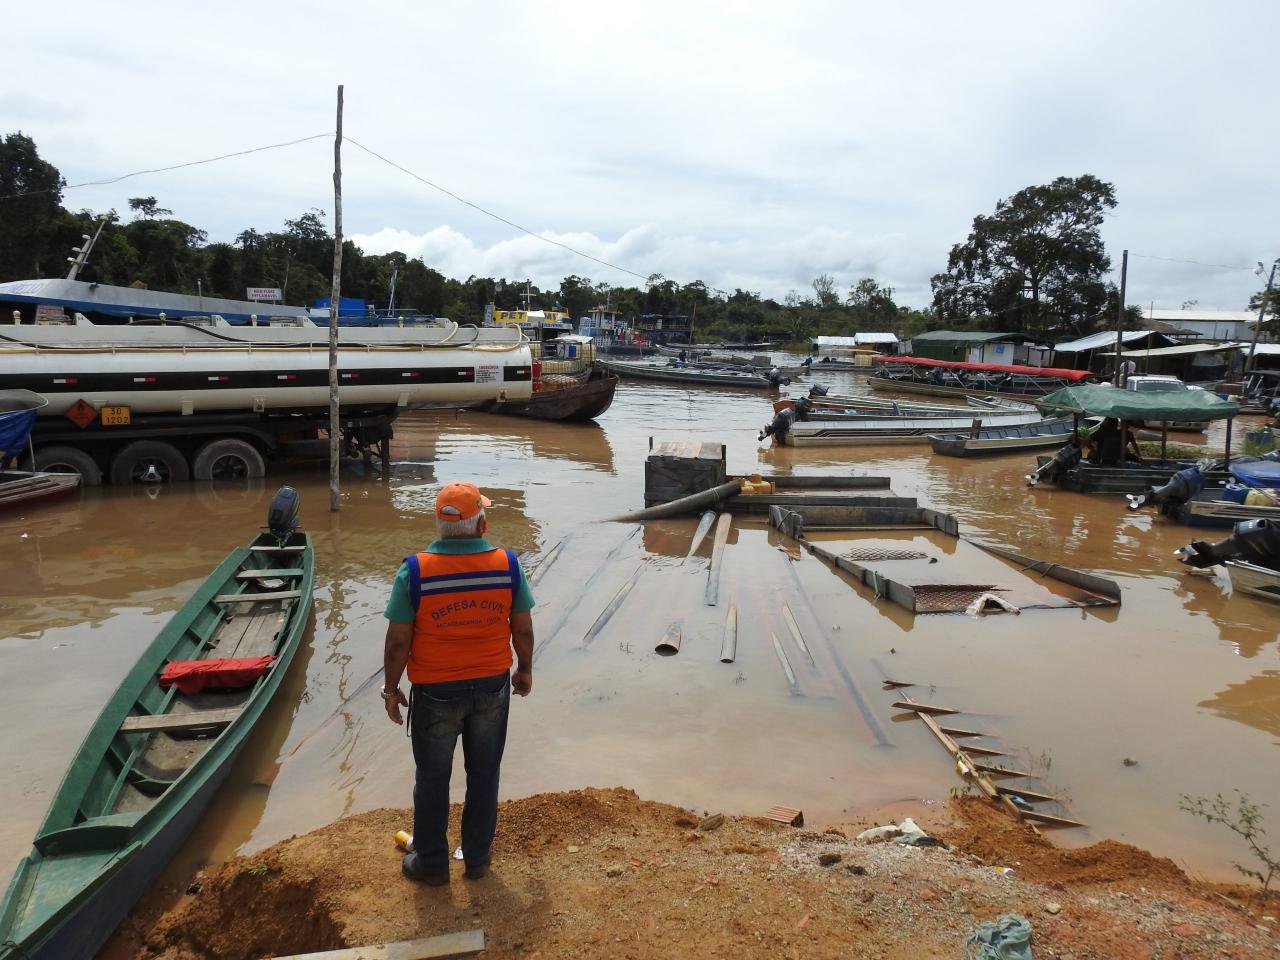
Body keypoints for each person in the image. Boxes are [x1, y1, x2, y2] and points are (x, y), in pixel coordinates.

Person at [381, 482, 535, 886]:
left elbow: (399, 641)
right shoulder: (508, 565)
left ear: (439, 525)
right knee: (484, 773)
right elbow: (523, 629)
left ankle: (432, 865)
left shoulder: (414, 571)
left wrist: (390, 688)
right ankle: (478, 859)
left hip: (434, 692)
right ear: (482, 523)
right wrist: (525, 670)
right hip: (490, 687)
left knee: (432, 778)